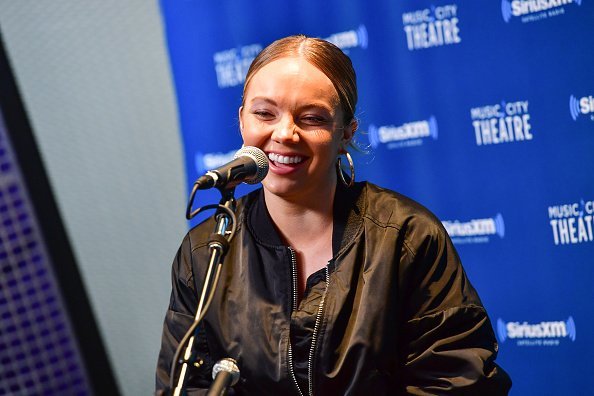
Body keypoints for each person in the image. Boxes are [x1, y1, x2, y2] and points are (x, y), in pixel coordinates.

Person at [156, 35, 511, 395]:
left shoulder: (406, 237)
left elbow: (457, 383)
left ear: (345, 133)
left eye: (311, 118)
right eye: (264, 113)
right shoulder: (205, 253)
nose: (284, 134)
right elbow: (186, 387)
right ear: (242, 121)